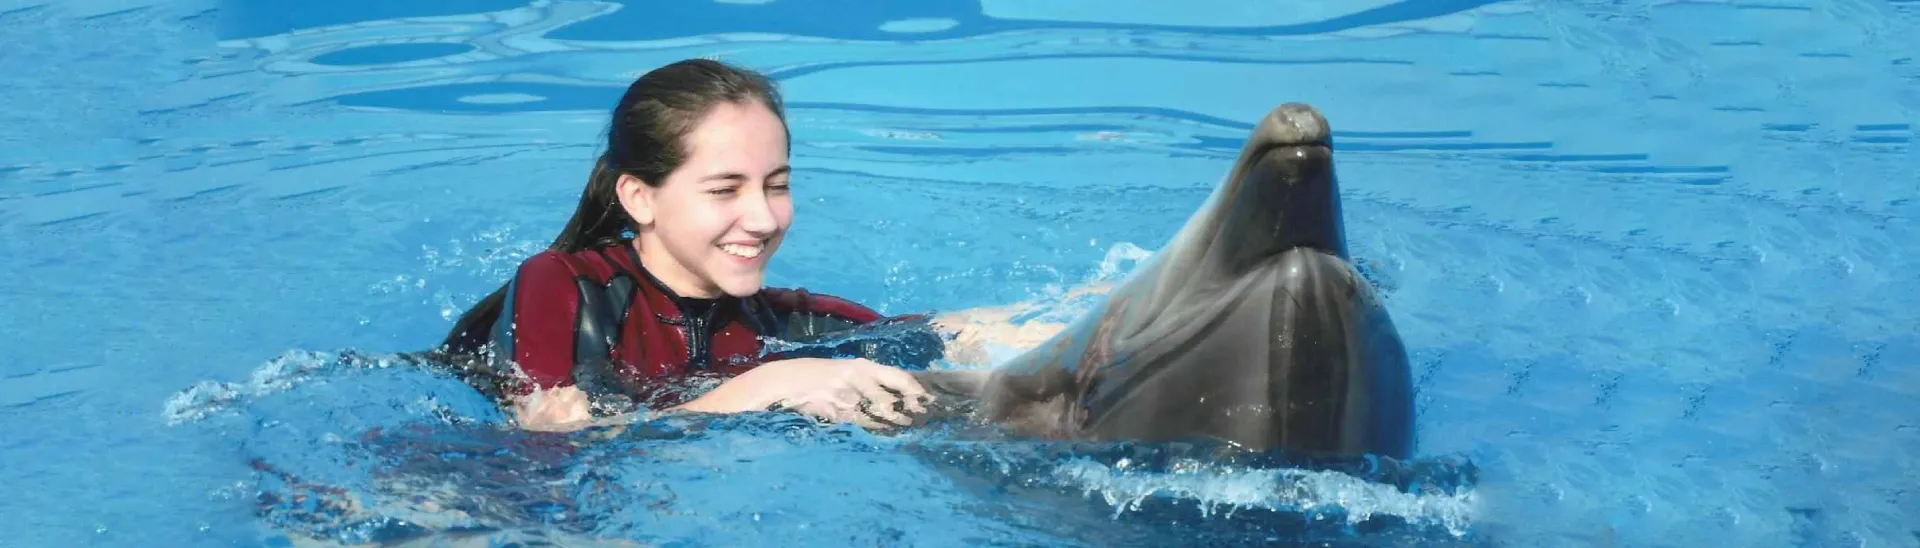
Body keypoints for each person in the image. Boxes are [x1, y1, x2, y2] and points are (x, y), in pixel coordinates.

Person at [434, 58, 1084, 433]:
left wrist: (1081, 324)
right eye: (725, 189)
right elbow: (553, 439)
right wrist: (769, 385)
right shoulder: (563, 285)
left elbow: (949, 333)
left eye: (777, 185)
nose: (763, 217)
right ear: (640, 198)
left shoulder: (782, 324)